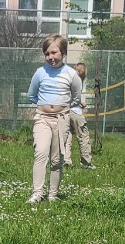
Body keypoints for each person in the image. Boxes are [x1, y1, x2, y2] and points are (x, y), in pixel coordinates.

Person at [26, 34, 83, 204]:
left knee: (57, 159)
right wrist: (44, 105)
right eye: (47, 54)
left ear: (63, 53)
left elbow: (76, 97)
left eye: (54, 53)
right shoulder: (40, 73)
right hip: (42, 118)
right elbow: (31, 95)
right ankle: (37, 193)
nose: (50, 57)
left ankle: (52, 194)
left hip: (61, 119)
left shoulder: (71, 74)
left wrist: (62, 108)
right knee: (41, 152)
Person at [66, 61, 94, 169]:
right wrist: (80, 103)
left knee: (67, 137)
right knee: (83, 136)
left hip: (66, 111)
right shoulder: (77, 81)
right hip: (75, 113)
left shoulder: (69, 80)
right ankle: (86, 162)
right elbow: (73, 98)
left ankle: (66, 161)